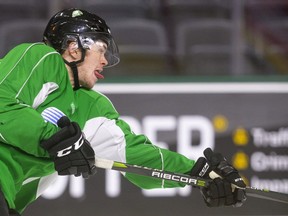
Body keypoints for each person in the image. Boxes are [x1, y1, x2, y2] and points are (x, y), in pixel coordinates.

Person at [0, 8, 247, 215]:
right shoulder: (40, 58)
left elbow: (137, 155)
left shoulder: (94, 107)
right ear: (74, 47)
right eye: (101, 49)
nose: (105, 60)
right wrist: (50, 138)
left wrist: (201, 175)